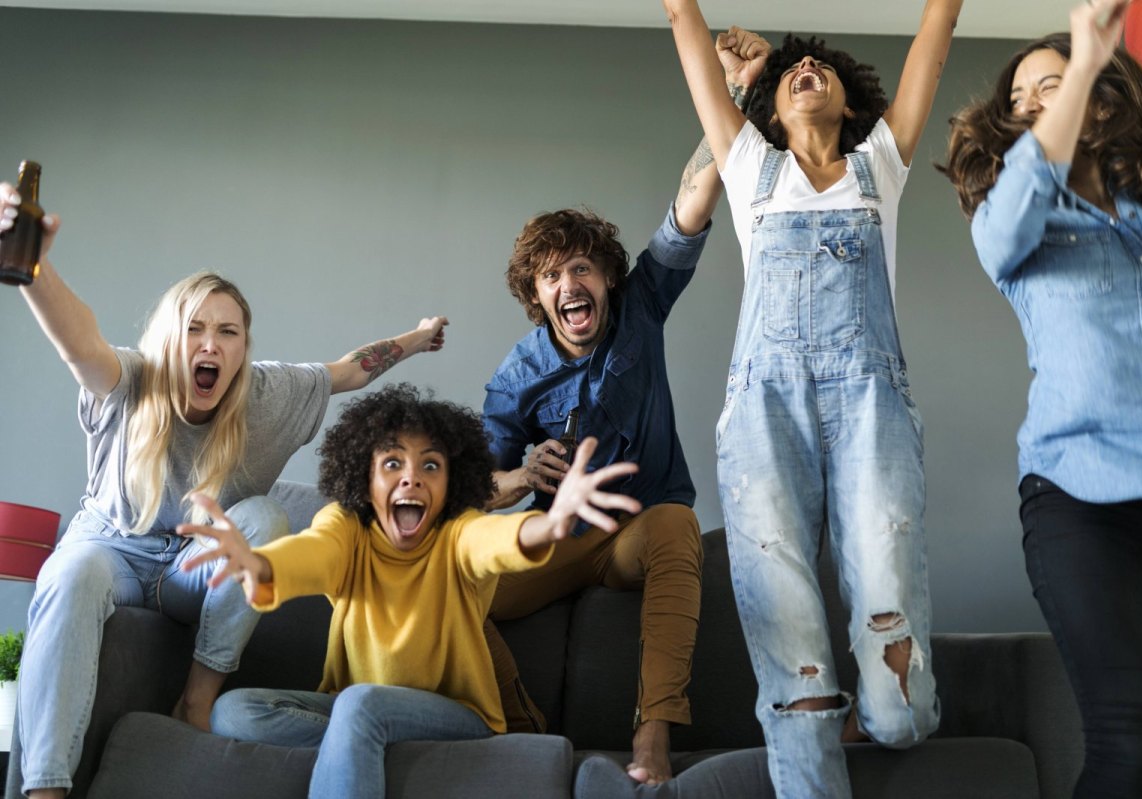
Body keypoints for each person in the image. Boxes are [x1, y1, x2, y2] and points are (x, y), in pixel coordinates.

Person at [0, 189, 447, 799]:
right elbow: (80, 344)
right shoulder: (131, 380)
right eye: (196, 329)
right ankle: (44, 791)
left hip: (195, 570)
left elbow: (350, 369)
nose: (211, 344)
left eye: (228, 332)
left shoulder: (267, 396)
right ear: (170, 339)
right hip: (112, 553)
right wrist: (32, 268)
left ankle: (197, 700)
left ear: (243, 348)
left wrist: (419, 337)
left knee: (264, 517)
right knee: (66, 573)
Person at [661, 1, 960, 796]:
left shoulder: (881, 166)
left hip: (872, 411)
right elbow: (687, 35)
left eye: (821, 68)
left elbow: (934, 41)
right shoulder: (750, 166)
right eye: (793, 68)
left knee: (899, 706)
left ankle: (888, 709)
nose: (806, 69)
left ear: (853, 105)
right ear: (769, 106)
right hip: (765, 417)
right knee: (787, 633)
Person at [479, 30, 769, 786]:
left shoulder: (641, 306)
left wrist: (733, 92)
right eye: (550, 276)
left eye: (580, 267)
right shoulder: (518, 374)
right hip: (552, 535)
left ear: (607, 277)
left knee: (679, 521)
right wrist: (516, 478)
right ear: (537, 298)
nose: (568, 283)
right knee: (455, 580)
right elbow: (472, 488)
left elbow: (695, 197)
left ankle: (652, 740)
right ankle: (521, 733)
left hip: (638, 531)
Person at [941, 2, 1142, 795]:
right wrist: (1081, 60)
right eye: (1024, 101)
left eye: (1052, 86)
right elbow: (1011, 212)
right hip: (1080, 502)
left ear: (1111, 102)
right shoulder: (1017, 225)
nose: (1035, 105)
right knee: (1132, 741)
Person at [187, 384, 639, 799]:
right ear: (365, 477)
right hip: (357, 709)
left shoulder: (458, 532)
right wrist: (261, 563)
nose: (411, 478)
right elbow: (313, 553)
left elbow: (496, 542)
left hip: (459, 716)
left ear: (451, 485)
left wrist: (550, 525)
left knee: (360, 704)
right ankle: (364, 742)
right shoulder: (346, 528)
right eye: (392, 463)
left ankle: (362, 733)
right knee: (234, 711)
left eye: (430, 465)